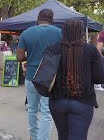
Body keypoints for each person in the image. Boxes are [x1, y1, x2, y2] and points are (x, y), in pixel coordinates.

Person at [49, 20, 104, 140]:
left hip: (57, 101)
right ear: (81, 33)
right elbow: (100, 77)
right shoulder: (90, 50)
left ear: (63, 31)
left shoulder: (54, 47)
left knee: (62, 136)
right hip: (83, 102)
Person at [16, 9, 62, 140]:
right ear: (52, 19)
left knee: (32, 110)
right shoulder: (59, 33)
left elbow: (19, 57)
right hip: (50, 79)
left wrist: (29, 56)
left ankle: (34, 137)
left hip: (31, 76)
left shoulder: (26, 33)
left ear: (38, 18)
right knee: (46, 112)